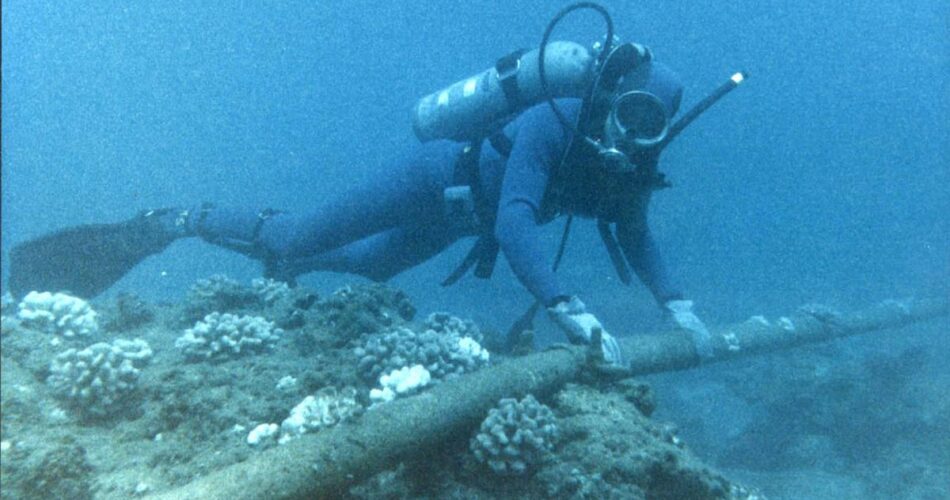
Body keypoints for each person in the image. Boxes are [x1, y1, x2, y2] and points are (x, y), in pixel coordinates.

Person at [139, 56, 713, 366]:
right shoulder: (553, 120)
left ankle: (290, 266)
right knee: (297, 234)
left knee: (374, 266)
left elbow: (635, 234)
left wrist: (678, 306)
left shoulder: (633, 165)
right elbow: (515, 218)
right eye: (630, 113)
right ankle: (187, 218)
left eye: (650, 124)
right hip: (431, 178)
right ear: (611, 100)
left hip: (461, 219)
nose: (633, 133)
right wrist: (565, 305)